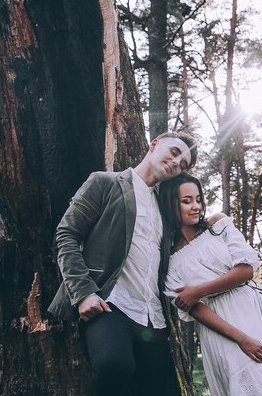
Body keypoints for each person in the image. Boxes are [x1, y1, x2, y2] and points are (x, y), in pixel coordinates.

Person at [48, 131, 198, 396]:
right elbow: (66, 235)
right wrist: (83, 293)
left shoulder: (165, 209)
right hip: (109, 304)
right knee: (114, 366)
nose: (176, 164)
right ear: (154, 145)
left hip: (154, 317)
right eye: (175, 153)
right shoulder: (105, 183)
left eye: (182, 165)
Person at [158, 173, 262, 396]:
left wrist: (198, 290)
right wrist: (241, 338)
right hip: (217, 328)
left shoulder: (217, 225)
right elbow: (193, 307)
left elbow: (245, 270)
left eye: (198, 199)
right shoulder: (169, 258)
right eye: (186, 201)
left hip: (251, 310)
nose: (196, 206)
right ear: (170, 204)